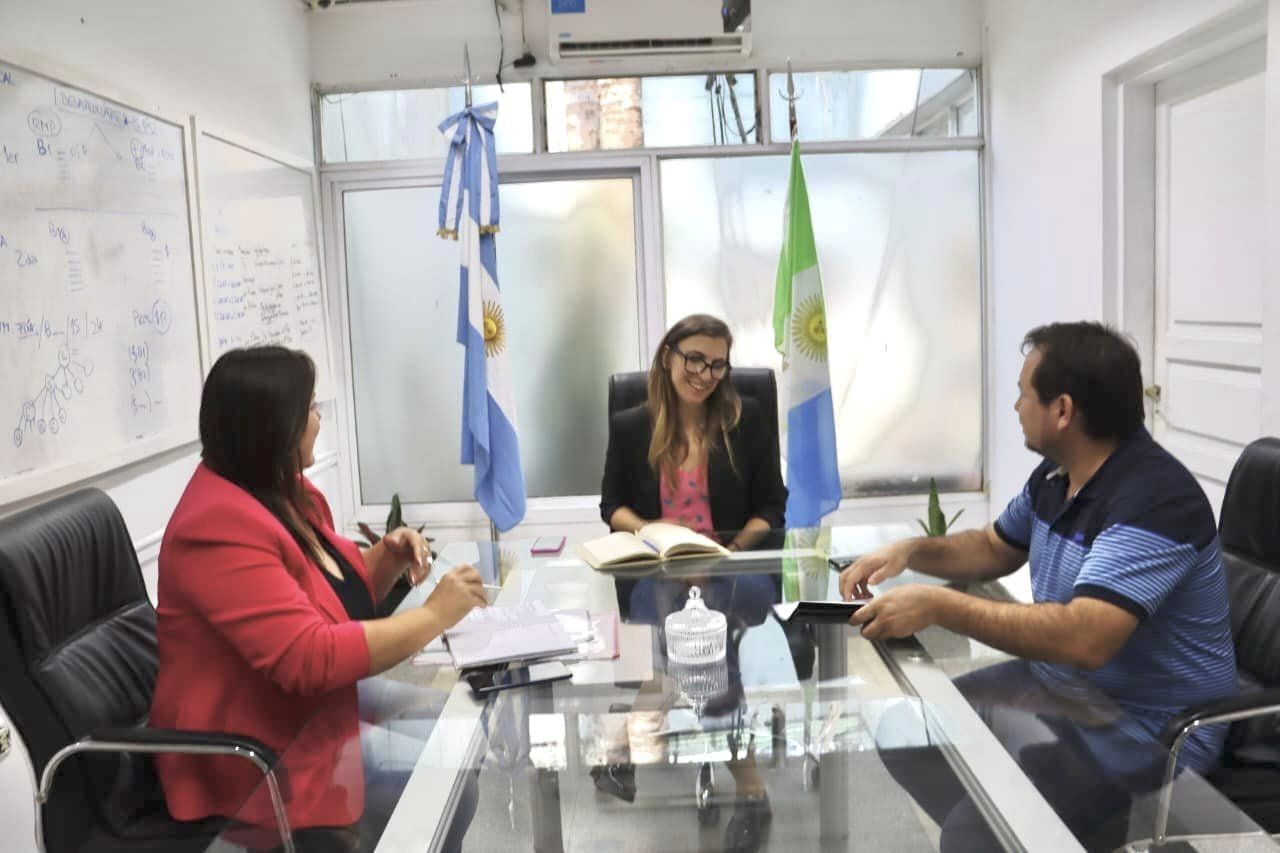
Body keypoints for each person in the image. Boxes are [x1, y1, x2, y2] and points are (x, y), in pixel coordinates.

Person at [838, 321, 1237, 850]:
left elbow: (1085, 638)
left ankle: (1016, 831)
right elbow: (992, 546)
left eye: (1024, 394)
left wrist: (939, 605)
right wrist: (912, 551)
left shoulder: (1155, 499)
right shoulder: (1057, 475)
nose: (1016, 406)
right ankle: (1030, 834)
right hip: (1061, 690)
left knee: (972, 838)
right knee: (907, 734)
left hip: (1146, 730)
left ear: (1063, 410)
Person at [150, 346, 487, 850]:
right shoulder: (215, 525)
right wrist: (435, 615)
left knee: (458, 733)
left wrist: (387, 558)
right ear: (275, 427)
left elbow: (326, 595)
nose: (318, 420)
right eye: (309, 409)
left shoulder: (287, 494)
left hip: (303, 713)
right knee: (444, 782)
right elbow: (309, 657)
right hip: (254, 754)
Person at [600, 313, 787, 550]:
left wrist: (733, 551)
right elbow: (612, 506)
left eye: (717, 365)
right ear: (667, 358)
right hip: (657, 559)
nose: (705, 375)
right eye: (695, 359)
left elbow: (771, 506)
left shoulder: (746, 420)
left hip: (731, 558)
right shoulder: (629, 427)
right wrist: (649, 530)